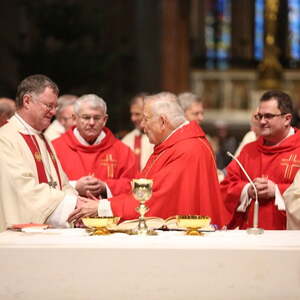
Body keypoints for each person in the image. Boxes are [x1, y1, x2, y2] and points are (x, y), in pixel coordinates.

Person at [68, 92, 228, 227]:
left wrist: (103, 207)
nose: (143, 125)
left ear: (163, 121)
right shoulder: (175, 144)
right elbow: (142, 189)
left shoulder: (187, 149)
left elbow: (159, 201)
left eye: (146, 119)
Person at [0, 74, 88, 232]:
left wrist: (77, 203)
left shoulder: (43, 137)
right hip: (18, 238)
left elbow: (63, 183)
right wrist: (72, 204)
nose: (54, 112)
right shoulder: (5, 139)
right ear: (27, 101)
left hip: (50, 233)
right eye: (49, 105)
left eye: (55, 106)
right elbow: (23, 189)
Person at [220, 90, 300, 230]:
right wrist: (248, 189)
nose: (262, 121)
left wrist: (275, 190)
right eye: (259, 116)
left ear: (287, 119)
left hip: (289, 238)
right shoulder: (249, 151)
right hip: (250, 236)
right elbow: (225, 186)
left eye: (268, 116)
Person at [52, 94, 138, 198]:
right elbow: (46, 184)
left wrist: (105, 187)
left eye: (97, 118)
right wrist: (74, 186)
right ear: (75, 118)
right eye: (86, 117)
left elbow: (133, 185)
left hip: (108, 213)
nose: (91, 123)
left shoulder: (122, 151)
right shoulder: (54, 148)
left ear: (105, 120)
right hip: (70, 213)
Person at [122, 93, 154, 171]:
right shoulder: (127, 140)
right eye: (132, 114)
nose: (133, 118)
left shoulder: (160, 137)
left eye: (137, 114)